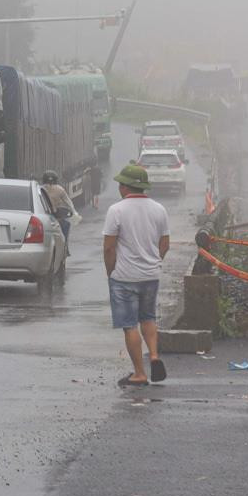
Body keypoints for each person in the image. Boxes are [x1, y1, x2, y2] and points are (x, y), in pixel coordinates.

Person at [102, 164, 171, 389]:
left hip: (124, 277)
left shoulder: (116, 210)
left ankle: (140, 373)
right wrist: (155, 261)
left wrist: (110, 271)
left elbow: (109, 247)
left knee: (130, 325)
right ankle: (153, 356)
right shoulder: (159, 209)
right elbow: (165, 243)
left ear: (125, 186)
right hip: (150, 276)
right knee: (148, 318)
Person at [41, 171, 74, 242]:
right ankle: (65, 246)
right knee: (66, 226)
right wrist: (73, 212)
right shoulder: (60, 189)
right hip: (57, 217)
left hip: (44, 218)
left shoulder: (40, 189)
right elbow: (68, 202)